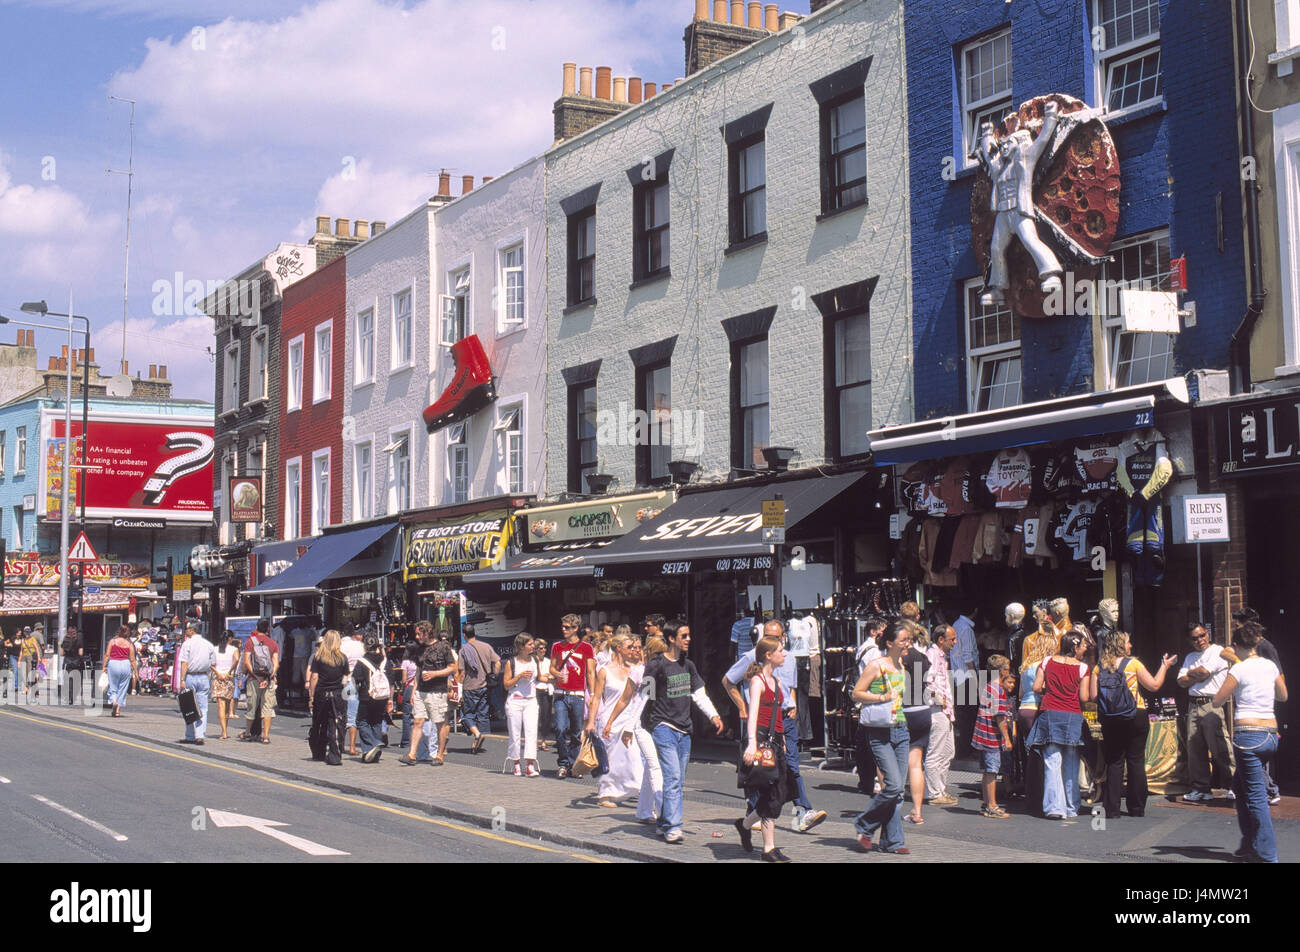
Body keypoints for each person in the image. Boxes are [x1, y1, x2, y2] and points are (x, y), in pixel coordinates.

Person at [608, 619, 723, 843]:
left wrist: (714, 715)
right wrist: (630, 726)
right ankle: (673, 826)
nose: (689, 639)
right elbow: (644, 697)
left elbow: (699, 694)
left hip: (684, 729)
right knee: (671, 777)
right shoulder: (657, 665)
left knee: (678, 782)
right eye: (684, 636)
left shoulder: (688, 666)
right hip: (662, 727)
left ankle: (664, 822)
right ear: (672, 639)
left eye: (689, 635)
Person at [722, 619, 829, 834]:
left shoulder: (787, 658)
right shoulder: (751, 657)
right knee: (762, 770)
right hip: (763, 721)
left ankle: (802, 811)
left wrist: (793, 704)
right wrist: (742, 706)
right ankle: (754, 812)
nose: (774, 641)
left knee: (791, 766)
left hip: (785, 719)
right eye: (768, 637)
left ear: (783, 637)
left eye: (777, 637)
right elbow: (727, 681)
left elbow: (789, 686)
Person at [976, 97, 1064, 305]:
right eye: (1003, 145)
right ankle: (997, 288)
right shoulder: (1000, 166)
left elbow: (1043, 140)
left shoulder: (1026, 157)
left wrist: (1051, 115)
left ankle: (1051, 274)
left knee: (1030, 240)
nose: (1004, 147)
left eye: (1008, 144)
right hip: (1003, 214)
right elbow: (989, 155)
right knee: (997, 248)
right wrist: (987, 135)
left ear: (1018, 144)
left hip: (1019, 210)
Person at [1212, 620, 1287, 863]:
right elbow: (1283, 696)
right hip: (1270, 734)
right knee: (1242, 789)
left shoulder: (1239, 669)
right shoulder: (1270, 666)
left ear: (1236, 646)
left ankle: (1267, 854)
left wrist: (1235, 676)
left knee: (1255, 796)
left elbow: (1217, 700)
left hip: (1248, 736)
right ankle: (1249, 843)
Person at [1095, 629, 1175, 818]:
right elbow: (1154, 685)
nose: (1131, 645)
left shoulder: (1099, 667)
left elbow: (1091, 695)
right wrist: (1164, 666)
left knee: (1114, 761)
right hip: (1135, 715)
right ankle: (1136, 807)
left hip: (1110, 718)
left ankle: (1112, 809)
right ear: (1120, 644)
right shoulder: (1134, 664)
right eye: (1128, 642)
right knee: (1136, 760)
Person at [851, 621, 913, 855]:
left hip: (900, 728)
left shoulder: (902, 666)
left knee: (897, 791)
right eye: (903, 640)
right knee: (894, 786)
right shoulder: (877, 665)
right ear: (889, 643)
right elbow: (856, 693)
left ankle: (892, 842)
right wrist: (882, 698)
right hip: (879, 731)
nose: (908, 643)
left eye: (908, 640)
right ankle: (864, 825)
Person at [735, 634, 796, 862]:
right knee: (771, 792)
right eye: (780, 650)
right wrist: (751, 743)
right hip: (761, 741)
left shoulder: (777, 683)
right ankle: (769, 848)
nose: (785, 653)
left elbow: (776, 716)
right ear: (768, 655)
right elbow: (753, 715)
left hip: (775, 742)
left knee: (779, 792)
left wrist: (782, 742)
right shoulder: (757, 681)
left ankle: (745, 824)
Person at [1027, 631, 1095, 819]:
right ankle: (1071, 806)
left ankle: (1054, 808)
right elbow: (1084, 697)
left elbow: (1036, 687)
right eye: (1082, 645)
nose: (1084, 649)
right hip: (1073, 714)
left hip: (1050, 712)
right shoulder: (1083, 668)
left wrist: (1050, 690)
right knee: (1071, 762)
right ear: (1074, 647)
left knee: (1051, 761)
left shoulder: (1047, 661)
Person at [1178, 623, 1237, 803]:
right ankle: (1201, 788)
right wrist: (1194, 674)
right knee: (1195, 749)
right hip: (1193, 705)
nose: (1200, 640)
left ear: (1208, 634)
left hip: (1212, 704)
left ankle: (1236, 785)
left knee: (1220, 747)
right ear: (1190, 640)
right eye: (1195, 638)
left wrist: (1191, 674)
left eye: (1202, 635)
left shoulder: (1218, 651)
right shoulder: (1190, 656)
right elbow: (1181, 681)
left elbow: (1204, 672)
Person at [585, 633, 643, 807]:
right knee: (608, 758)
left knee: (633, 757)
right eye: (629, 647)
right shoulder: (604, 670)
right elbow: (596, 698)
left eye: (634, 648)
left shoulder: (635, 669)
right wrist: (590, 722)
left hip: (629, 719)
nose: (633, 650)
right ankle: (605, 795)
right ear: (619, 649)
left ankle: (635, 788)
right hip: (608, 719)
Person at [1016, 615, 1058, 817]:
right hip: (1036, 710)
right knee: (1041, 755)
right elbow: (1043, 690)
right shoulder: (1045, 666)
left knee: (1030, 754)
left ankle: (1030, 794)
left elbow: (1021, 694)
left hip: (1023, 709)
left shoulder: (1026, 667)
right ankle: (1038, 798)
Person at [400, 620, 455, 766]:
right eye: (416, 634)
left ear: (427, 632)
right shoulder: (420, 649)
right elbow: (418, 671)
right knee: (418, 721)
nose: (417, 637)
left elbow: (452, 668)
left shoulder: (443, 647)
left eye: (419, 633)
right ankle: (412, 754)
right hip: (421, 691)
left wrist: (435, 674)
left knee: (439, 723)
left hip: (437, 691)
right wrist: (413, 691)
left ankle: (439, 755)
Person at [549, 614, 596, 779]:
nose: (564, 630)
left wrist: (593, 694)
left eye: (567, 627)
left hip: (578, 694)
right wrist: (558, 675)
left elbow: (590, 672)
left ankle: (574, 765)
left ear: (576, 628)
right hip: (561, 693)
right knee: (560, 729)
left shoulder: (586, 647)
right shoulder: (556, 646)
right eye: (563, 627)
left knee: (576, 733)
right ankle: (563, 764)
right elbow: (552, 668)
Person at [972, 654, 1014, 818]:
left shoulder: (988, 686)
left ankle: (986, 801)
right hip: (991, 736)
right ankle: (992, 805)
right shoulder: (999, 690)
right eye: (1007, 669)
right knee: (992, 770)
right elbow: (999, 717)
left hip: (983, 733)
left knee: (987, 770)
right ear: (1002, 671)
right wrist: (1006, 737)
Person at [504, 632, 549, 777]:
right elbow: (506, 685)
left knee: (531, 732)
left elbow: (540, 677)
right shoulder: (512, 662)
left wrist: (555, 677)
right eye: (530, 644)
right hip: (515, 700)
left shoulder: (535, 660)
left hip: (531, 700)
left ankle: (530, 764)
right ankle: (516, 763)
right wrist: (519, 676)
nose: (533, 646)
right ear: (521, 646)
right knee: (515, 733)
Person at [923, 624, 958, 806]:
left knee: (948, 752)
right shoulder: (932, 655)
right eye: (952, 639)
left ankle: (940, 790)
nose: (955, 642)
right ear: (941, 640)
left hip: (945, 711)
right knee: (935, 753)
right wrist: (939, 700)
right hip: (937, 711)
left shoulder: (941, 656)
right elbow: (927, 682)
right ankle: (934, 793)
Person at [901, 627, 932, 825]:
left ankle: (887, 808)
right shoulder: (923, 657)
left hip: (904, 709)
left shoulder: (900, 659)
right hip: (922, 708)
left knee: (889, 762)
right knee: (916, 764)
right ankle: (917, 811)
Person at [307, 630, 350, 766]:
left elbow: (314, 677)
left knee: (319, 722)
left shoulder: (318, 657)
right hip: (337, 694)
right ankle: (335, 755)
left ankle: (318, 752)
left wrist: (311, 695)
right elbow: (345, 678)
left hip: (321, 693)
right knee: (336, 723)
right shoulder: (342, 658)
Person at [457, 624, 500, 754]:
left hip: (470, 687)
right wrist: (494, 675)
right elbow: (497, 661)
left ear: (464, 635)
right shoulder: (486, 646)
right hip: (484, 686)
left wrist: (459, 689)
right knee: (483, 714)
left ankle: (476, 734)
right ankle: (481, 739)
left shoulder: (463, 650)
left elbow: (462, 672)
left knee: (466, 714)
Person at [352, 635, 392, 763]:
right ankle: (371, 754)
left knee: (362, 722)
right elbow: (391, 681)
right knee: (376, 722)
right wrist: (390, 699)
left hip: (367, 696)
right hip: (383, 697)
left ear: (365, 646)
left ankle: (374, 743)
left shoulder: (362, 662)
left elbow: (356, 680)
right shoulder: (385, 661)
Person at [240, 620, 279, 743]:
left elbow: (246, 661)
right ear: (268, 629)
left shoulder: (250, 642)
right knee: (267, 707)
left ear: (256, 628)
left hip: (253, 680)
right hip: (268, 680)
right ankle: (266, 736)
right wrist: (268, 678)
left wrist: (257, 677)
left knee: (252, 706)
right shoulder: (273, 644)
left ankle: (247, 733)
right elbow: (276, 664)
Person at [177, 626, 216, 745]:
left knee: (188, 706)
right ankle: (200, 735)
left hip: (190, 676)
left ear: (192, 631)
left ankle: (190, 735)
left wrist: (182, 679)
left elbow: (184, 662)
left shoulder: (187, 644)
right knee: (203, 707)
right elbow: (213, 663)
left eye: (188, 629)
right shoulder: (208, 644)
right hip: (203, 676)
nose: (187, 631)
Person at [102, 625, 137, 718]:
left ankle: (114, 701)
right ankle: (117, 711)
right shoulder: (129, 644)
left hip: (113, 663)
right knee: (123, 687)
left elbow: (107, 655)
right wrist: (136, 672)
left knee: (113, 685)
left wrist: (104, 666)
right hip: (125, 664)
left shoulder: (112, 642)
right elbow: (132, 659)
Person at [341, 627, 366, 755]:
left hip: (345, 681)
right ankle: (352, 747)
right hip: (358, 681)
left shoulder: (341, 645)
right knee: (353, 713)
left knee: (343, 712)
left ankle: (342, 744)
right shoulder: (361, 646)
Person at [211, 631, 241, 739]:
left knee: (220, 705)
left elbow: (210, 663)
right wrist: (229, 671)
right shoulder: (234, 649)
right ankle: (225, 730)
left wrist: (218, 673)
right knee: (228, 705)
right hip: (229, 678)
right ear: (231, 638)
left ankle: (223, 732)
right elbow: (237, 659)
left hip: (218, 678)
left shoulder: (215, 649)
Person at [533, 638, 553, 751]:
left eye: (545, 648)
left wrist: (547, 677)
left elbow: (553, 676)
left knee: (546, 716)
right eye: (541, 648)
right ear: (536, 650)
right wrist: (546, 677)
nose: (543, 650)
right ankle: (534, 741)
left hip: (546, 691)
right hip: (535, 690)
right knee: (535, 716)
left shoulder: (548, 661)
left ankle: (543, 741)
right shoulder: (533, 661)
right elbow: (537, 677)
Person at [60, 626, 84, 706]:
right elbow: (80, 653)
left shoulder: (65, 640)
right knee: (76, 681)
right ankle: (73, 697)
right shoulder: (79, 641)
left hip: (67, 662)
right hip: (76, 663)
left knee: (67, 680)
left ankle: (68, 697)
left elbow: (61, 653)